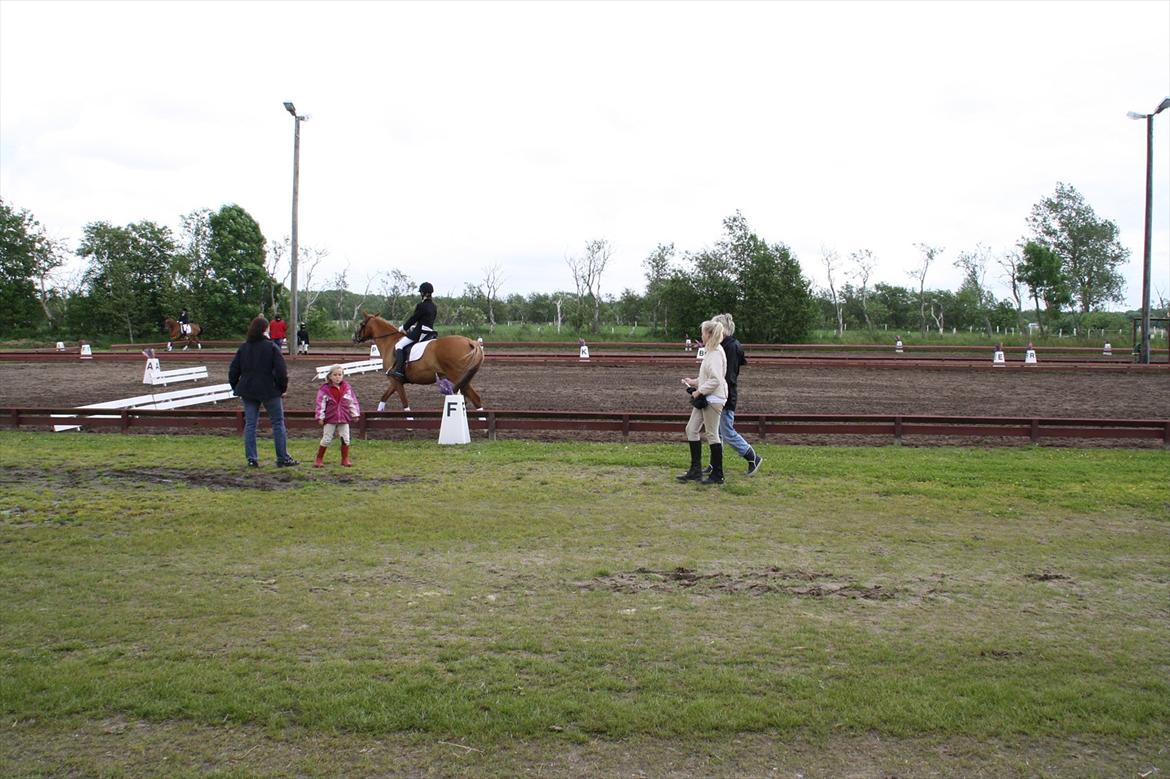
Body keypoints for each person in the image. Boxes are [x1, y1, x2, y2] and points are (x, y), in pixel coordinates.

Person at [228, 316, 299, 468]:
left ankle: (251, 458)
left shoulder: (244, 347)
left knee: (250, 424)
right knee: (278, 423)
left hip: (248, 389)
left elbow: (233, 370)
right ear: (265, 329)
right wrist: (282, 388)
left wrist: (236, 387)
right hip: (269, 389)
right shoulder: (271, 347)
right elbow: (281, 371)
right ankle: (282, 457)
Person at [707, 313, 763, 477]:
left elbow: (727, 376)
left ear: (722, 329)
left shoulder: (730, 347)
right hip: (722, 394)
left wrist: (715, 391)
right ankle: (714, 465)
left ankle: (752, 457)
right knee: (717, 433)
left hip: (725, 396)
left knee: (726, 432)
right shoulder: (727, 345)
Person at [677, 320, 728, 485]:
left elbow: (716, 380)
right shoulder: (711, 351)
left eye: (703, 333)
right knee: (691, 429)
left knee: (712, 434)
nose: (701, 336)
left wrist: (699, 392)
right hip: (707, 397)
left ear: (709, 334)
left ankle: (718, 475)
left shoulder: (715, 353)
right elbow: (707, 377)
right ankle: (695, 471)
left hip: (713, 399)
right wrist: (693, 382)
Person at [388, 282, 437, 380]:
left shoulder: (421, 305)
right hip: (430, 333)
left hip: (419, 333)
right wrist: (414, 327)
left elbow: (413, 318)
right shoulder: (434, 306)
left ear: (423, 293)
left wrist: (404, 327)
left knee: (399, 345)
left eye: (421, 292)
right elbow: (426, 321)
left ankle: (399, 371)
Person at [313, 365, 361, 468]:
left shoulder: (347, 388)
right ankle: (319, 458)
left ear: (343, 376)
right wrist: (320, 417)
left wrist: (355, 414)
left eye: (340, 374)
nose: (337, 377)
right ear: (330, 376)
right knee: (326, 439)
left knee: (346, 439)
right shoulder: (325, 389)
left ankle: (345, 459)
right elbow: (320, 404)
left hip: (344, 417)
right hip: (330, 418)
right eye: (335, 375)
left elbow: (352, 402)